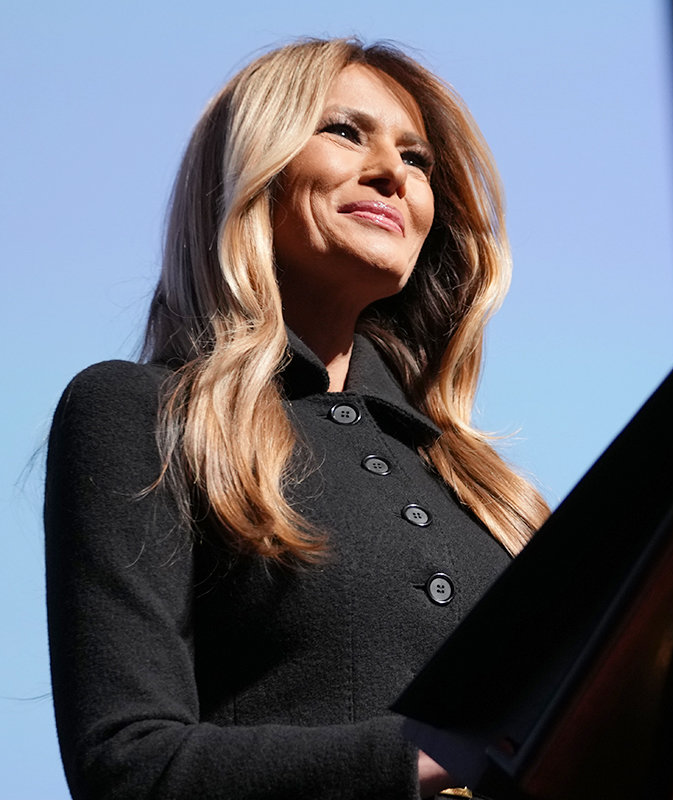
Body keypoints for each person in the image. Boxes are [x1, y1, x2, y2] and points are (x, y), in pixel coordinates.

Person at [44, 37, 549, 799]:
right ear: (252, 169)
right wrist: (416, 756)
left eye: (417, 159)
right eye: (344, 131)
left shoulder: (487, 488)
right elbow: (127, 765)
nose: (394, 173)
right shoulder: (143, 413)